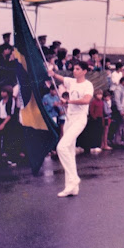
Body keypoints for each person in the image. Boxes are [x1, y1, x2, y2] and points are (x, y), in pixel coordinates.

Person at [48, 61, 94, 198]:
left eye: (78, 69)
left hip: (80, 118)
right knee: (69, 151)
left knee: (61, 147)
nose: (75, 71)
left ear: (84, 71)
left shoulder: (88, 85)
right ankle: (72, 187)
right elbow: (59, 77)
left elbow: (86, 100)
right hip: (69, 118)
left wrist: (68, 102)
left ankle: (74, 178)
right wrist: (52, 73)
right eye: (74, 68)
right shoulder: (71, 82)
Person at [88, 89, 105, 154]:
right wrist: (94, 117)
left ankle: (98, 145)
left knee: (99, 132)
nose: (100, 96)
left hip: (100, 118)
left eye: (101, 94)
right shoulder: (94, 102)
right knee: (94, 132)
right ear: (95, 95)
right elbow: (91, 111)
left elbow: (102, 111)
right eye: (98, 94)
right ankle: (93, 146)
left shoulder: (102, 102)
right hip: (94, 119)